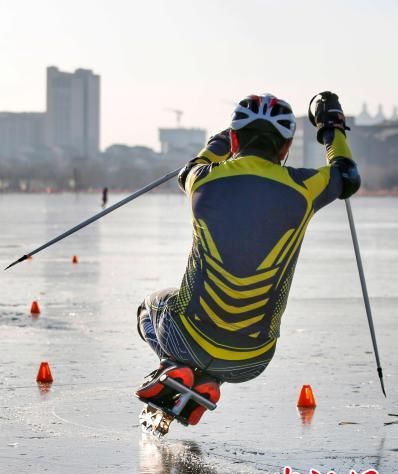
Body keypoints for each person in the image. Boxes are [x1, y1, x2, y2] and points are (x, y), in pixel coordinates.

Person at [136, 92, 361, 426]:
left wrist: (225, 137)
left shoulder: (202, 178)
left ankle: (172, 367)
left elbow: (194, 164)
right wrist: (332, 127)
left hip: (185, 339)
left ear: (236, 138)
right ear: (286, 148)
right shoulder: (306, 187)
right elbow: (347, 175)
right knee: (230, 335)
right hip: (252, 360)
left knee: (148, 307)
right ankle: (211, 384)